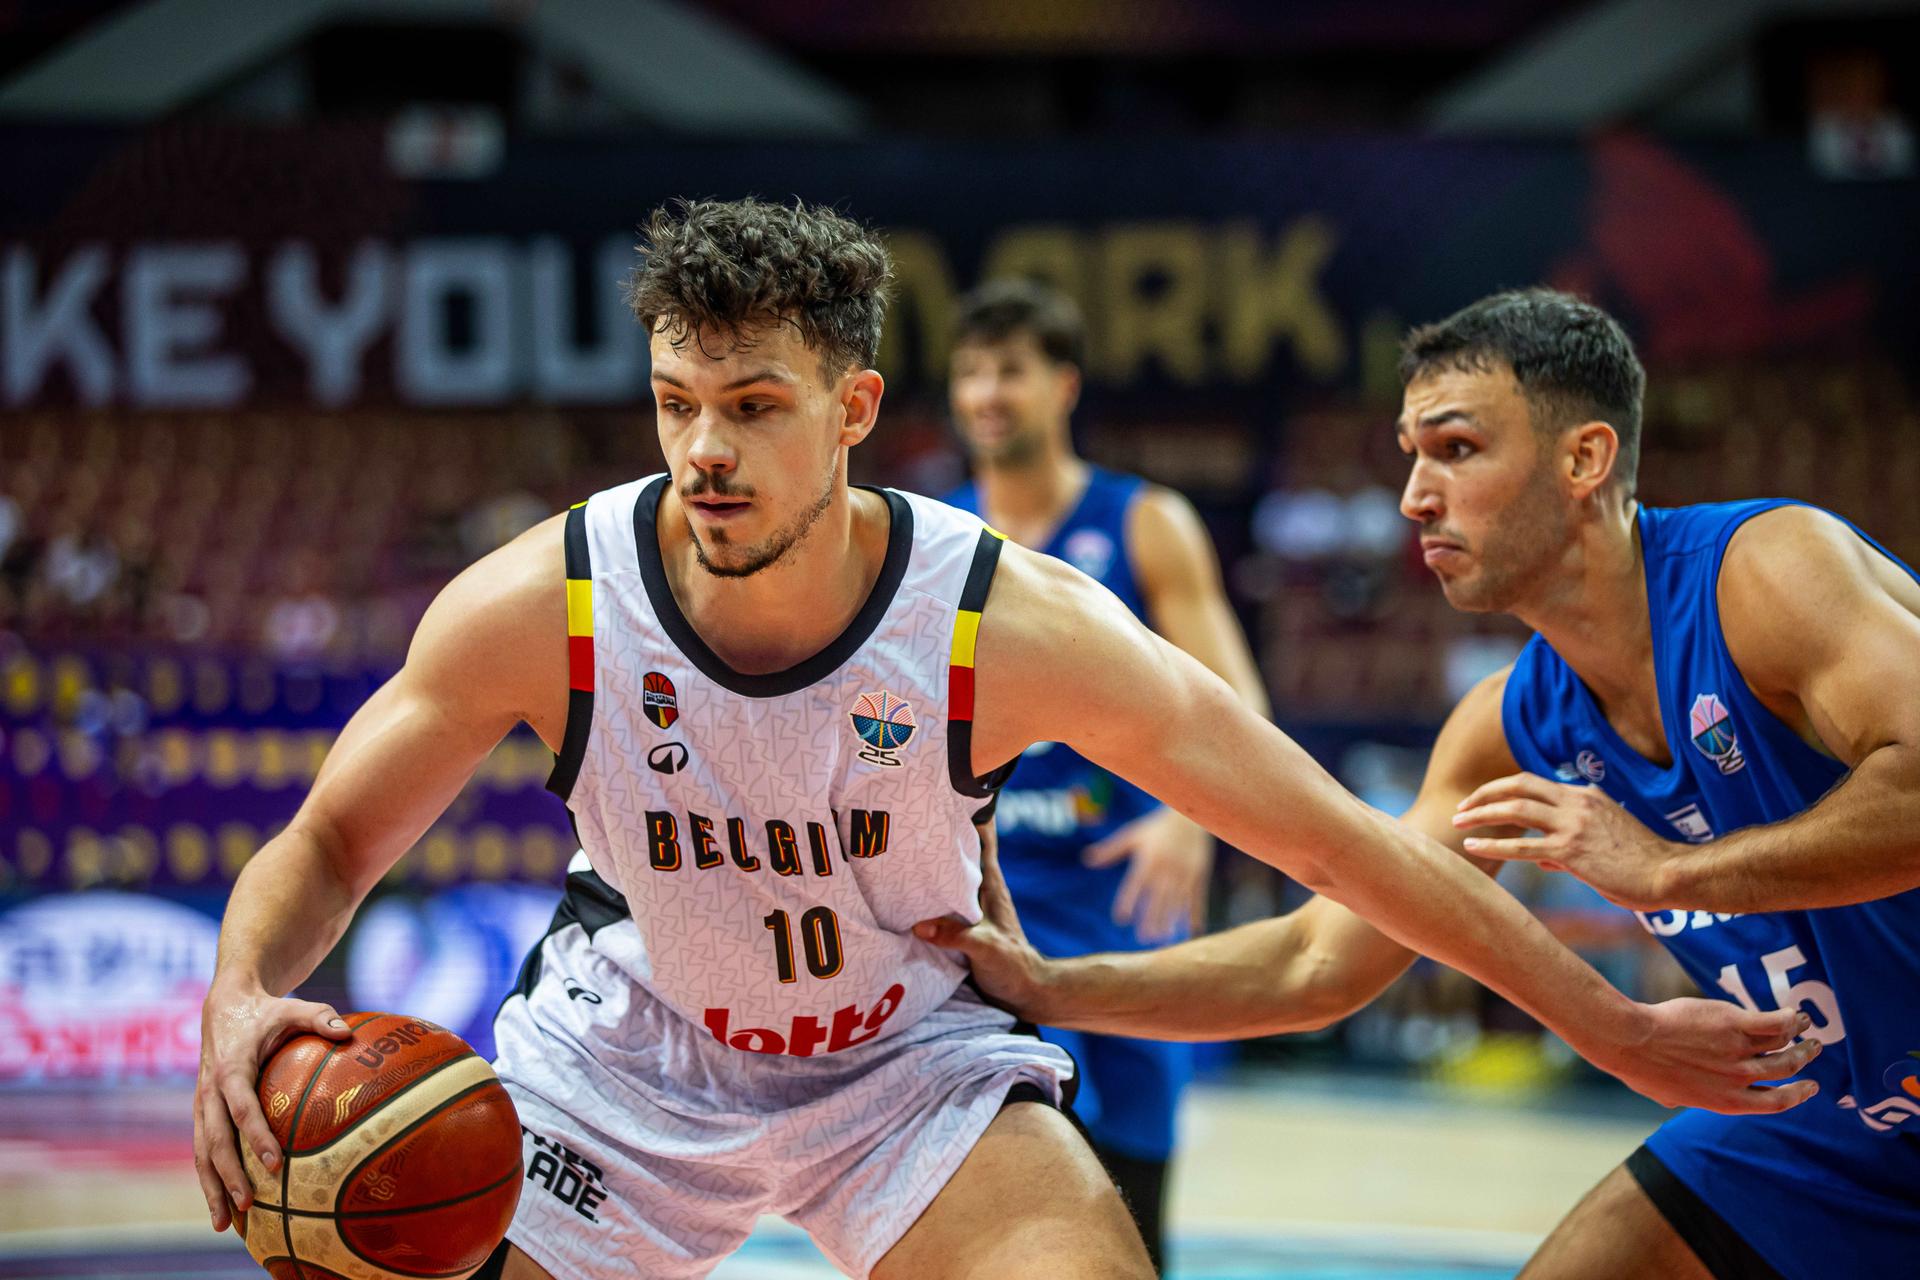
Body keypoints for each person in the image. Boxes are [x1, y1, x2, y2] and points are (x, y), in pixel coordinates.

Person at [193, 209, 1816, 1280]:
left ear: (851, 407)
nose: (703, 449)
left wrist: (1608, 1021)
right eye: (677, 401)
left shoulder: (1003, 621)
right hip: (629, 1048)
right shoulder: (544, 601)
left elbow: (1341, 846)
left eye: (752, 404)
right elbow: (332, 844)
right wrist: (240, 996)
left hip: (903, 1061)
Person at [923, 288, 1918, 1280]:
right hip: (1823, 1121)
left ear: (1585, 459)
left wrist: (1671, 871)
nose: (1414, 494)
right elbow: (1318, 961)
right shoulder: (1503, 727)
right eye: (1410, 453)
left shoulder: (1767, 571)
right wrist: (1051, 983)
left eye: (1456, 448)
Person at [942, 279, 1269, 1269]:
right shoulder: (931, 531)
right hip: (989, 904)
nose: (988, 393)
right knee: (1000, 1197)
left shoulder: (1143, 521)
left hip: (1121, 897)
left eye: (1011, 370)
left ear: (1063, 384)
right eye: (969, 373)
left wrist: (1188, 821)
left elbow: (1237, 705)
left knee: (1132, 1214)